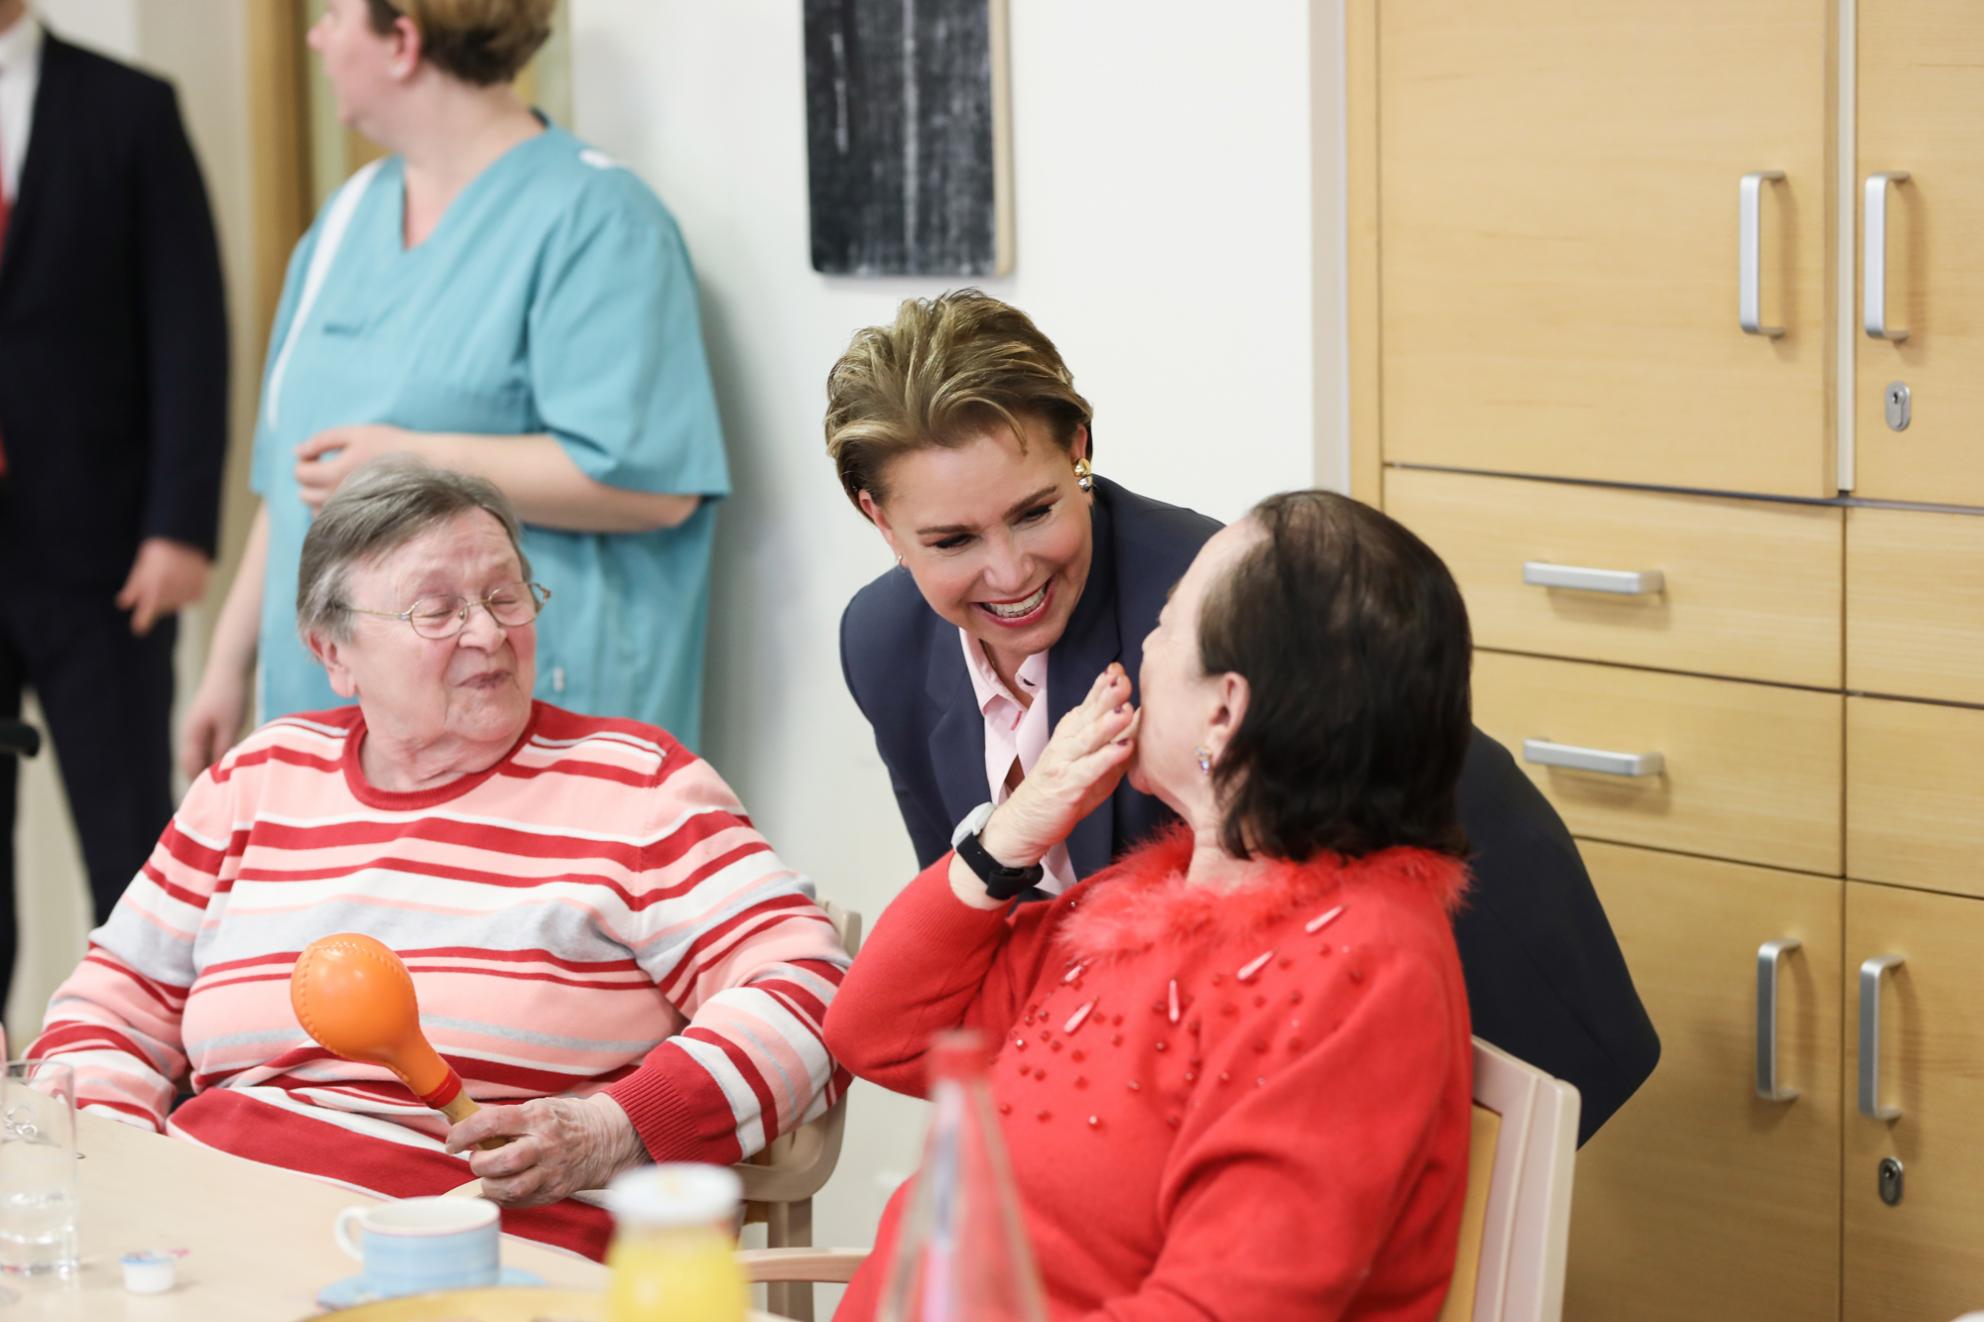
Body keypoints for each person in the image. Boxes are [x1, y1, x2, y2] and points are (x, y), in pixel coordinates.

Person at [828, 290, 1658, 1143]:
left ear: (1079, 451)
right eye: (952, 541)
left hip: (1440, 958)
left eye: (1035, 511)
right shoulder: (882, 642)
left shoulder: (1196, 614)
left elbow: (1302, 920)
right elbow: (966, 924)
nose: (1009, 572)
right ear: (881, 521)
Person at [28, 461, 848, 1259]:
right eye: (438, 610)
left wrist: (613, 1130)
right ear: (333, 652)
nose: (489, 632)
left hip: (492, 1243)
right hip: (217, 1225)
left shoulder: (636, 788)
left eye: (504, 595)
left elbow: (813, 992)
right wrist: (121, 1179)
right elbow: (111, 1007)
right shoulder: (259, 778)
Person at [828, 491, 1478, 1318]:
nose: (1143, 647)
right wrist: (1009, 836)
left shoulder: (1359, 964)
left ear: (1223, 710)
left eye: (1168, 626)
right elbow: (874, 1034)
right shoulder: (1147, 895)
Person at [181, 0, 728, 777]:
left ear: (401, 40)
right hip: (329, 718)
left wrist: (412, 457)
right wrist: (227, 669)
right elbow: (292, 481)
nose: (316, 37)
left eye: (334, 14)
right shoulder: (344, 221)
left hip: (512, 727)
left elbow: (651, 486)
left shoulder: (601, 221)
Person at [0, 1, 228, 1022]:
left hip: (107, 557)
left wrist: (180, 522)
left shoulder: (130, 108)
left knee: (134, 847)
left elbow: (190, 326)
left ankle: (160, 1085)